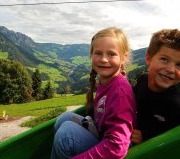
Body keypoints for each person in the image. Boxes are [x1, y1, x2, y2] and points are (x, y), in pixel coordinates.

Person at [51, 27, 137, 159]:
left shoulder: (119, 91)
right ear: (91, 55)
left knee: (65, 135)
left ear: (123, 58)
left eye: (111, 54)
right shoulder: (107, 81)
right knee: (64, 118)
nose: (103, 59)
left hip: (113, 148)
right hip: (102, 134)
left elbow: (117, 147)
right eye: (98, 53)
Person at [131, 29, 180, 144]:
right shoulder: (143, 80)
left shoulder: (179, 107)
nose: (170, 70)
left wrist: (146, 136)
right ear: (148, 59)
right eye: (164, 59)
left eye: (179, 65)